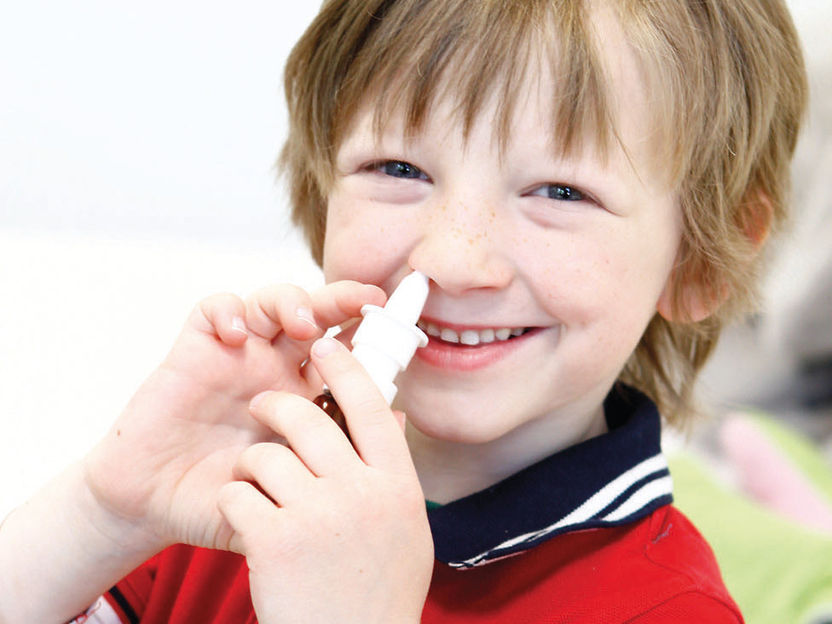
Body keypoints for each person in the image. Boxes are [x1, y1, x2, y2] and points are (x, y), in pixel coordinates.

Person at [0, 0, 808, 621]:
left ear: (698, 257)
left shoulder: (663, 607)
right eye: (397, 167)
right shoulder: (244, 488)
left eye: (560, 191)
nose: (451, 257)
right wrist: (103, 511)